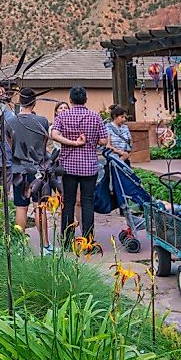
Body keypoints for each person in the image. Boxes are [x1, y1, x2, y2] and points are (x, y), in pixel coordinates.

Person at [51, 86, 109, 247]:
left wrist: (71, 143)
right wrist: (89, 140)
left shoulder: (63, 116)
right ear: (86, 100)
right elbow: (104, 141)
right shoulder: (95, 117)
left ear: (70, 100)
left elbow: (54, 134)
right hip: (89, 166)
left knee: (68, 203)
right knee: (87, 202)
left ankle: (67, 242)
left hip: (68, 166)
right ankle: (88, 242)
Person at [7, 88, 52, 252]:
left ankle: (20, 246)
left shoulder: (11, 121)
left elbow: (9, 142)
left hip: (19, 169)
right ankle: (45, 245)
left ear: (20, 101)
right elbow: (44, 141)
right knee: (40, 207)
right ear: (34, 102)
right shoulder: (42, 120)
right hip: (38, 169)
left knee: (21, 207)